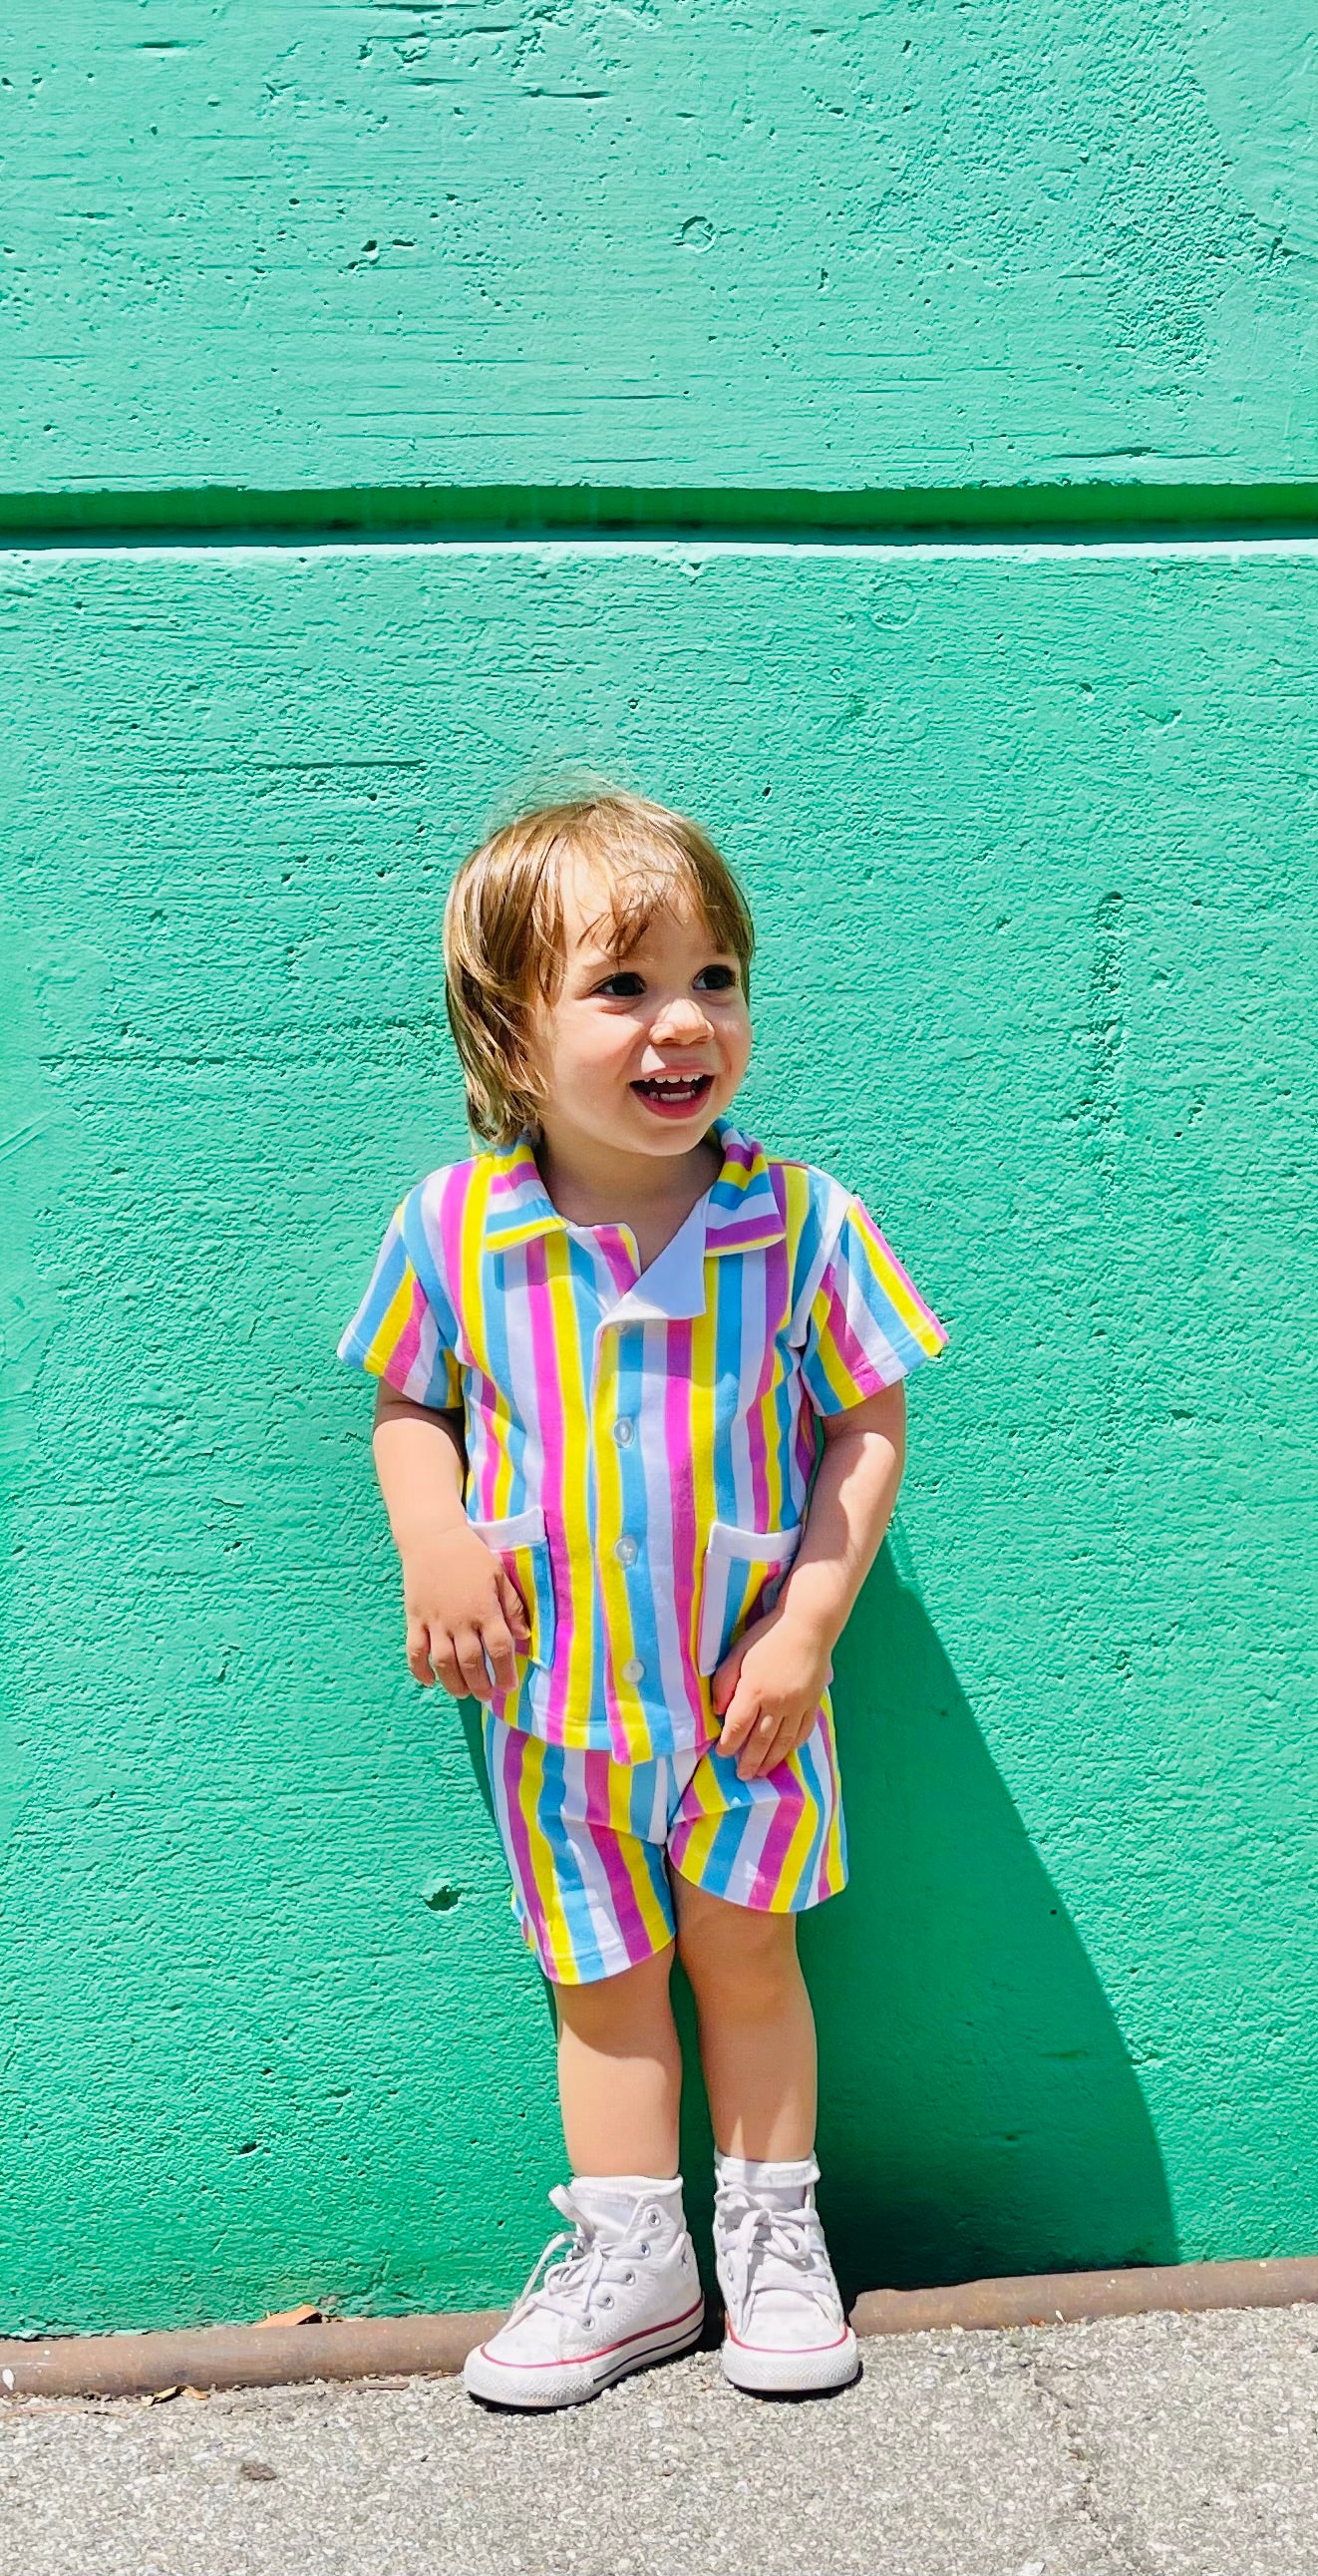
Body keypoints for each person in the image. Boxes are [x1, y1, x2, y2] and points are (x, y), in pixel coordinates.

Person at [338, 790, 945, 2406]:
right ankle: (636, 2263)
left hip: (752, 1702)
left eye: (718, 979)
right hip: (556, 1711)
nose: (685, 1024)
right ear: (509, 1029)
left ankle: (771, 2241)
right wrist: (434, 1534)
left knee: (748, 1962)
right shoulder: (460, 1230)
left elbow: (869, 1420)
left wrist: (810, 1622)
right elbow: (412, 1404)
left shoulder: (798, 1222)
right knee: (603, 1993)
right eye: (624, 989)